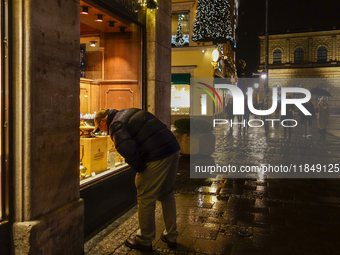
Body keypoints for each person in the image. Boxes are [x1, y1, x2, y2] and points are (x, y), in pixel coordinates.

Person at [93, 108, 180, 252]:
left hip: (157, 155)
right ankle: (171, 235)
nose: (102, 131)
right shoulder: (127, 112)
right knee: (167, 194)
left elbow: (127, 148)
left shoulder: (115, 125)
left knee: (146, 197)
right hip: (172, 148)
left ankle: (144, 239)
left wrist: (140, 168)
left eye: (100, 128)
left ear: (103, 120)